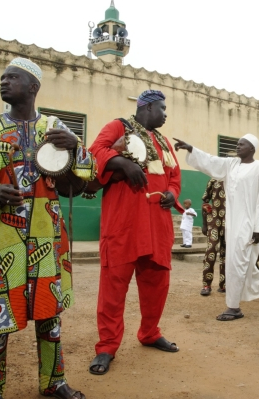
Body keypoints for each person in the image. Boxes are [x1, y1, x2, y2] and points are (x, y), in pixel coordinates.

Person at [0, 58, 93, 399]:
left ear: (33, 87)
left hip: (47, 236)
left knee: (50, 317)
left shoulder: (55, 126)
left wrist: (76, 147)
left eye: (12, 77)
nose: (4, 82)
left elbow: (82, 179)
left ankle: (53, 381)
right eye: (2, 78)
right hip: (0, 239)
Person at [88, 90, 181, 376]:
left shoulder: (164, 142)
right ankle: (106, 346)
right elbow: (94, 154)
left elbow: (175, 176)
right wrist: (122, 162)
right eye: (162, 108)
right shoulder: (118, 126)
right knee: (113, 289)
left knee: (157, 285)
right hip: (124, 226)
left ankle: (150, 333)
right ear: (148, 107)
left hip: (158, 227)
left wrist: (170, 192)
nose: (166, 114)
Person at [174, 134, 259, 320]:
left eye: (242, 145)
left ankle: (234, 307)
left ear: (252, 149)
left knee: (239, 263)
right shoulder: (231, 164)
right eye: (237, 144)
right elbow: (211, 161)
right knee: (235, 263)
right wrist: (192, 149)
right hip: (232, 223)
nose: (238, 147)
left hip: (250, 224)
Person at [200, 178, 226, 296]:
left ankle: (224, 285)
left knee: (227, 254)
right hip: (214, 221)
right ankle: (206, 284)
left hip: (230, 222)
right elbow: (205, 201)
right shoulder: (213, 180)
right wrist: (205, 224)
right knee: (211, 251)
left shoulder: (235, 179)